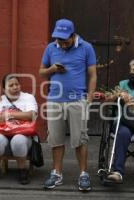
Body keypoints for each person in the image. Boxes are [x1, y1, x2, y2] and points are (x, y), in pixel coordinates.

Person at [39, 19, 97, 191]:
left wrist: (90, 98)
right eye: (59, 40)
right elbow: (41, 72)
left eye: (65, 40)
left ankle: (83, 174)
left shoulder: (86, 47)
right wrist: (52, 70)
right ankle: (57, 173)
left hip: (77, 100)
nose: (62, 44)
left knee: (80, 139)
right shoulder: (51, 48)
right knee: (55, 139)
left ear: (73, 35)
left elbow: (93, 74)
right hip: (55, 100)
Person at [0, 74, 38, 184]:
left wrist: (9, 115)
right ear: (4, 89)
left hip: (24, 139)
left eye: (17, 84)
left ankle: (22, 171)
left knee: (18, 140)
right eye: (11, 85)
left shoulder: (28, 97)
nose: (15, 87)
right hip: (4, 140)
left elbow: (32, 115)